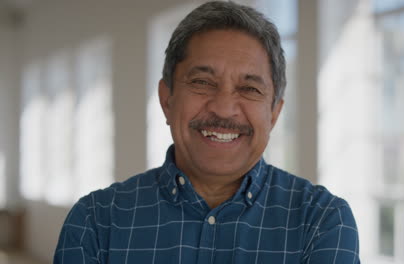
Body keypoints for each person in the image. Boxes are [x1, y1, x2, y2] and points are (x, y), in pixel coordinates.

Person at [54, 1, 360, 263]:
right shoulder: (94, 222)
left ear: (274, 113)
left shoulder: (322, 222)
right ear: (166, 100)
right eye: (202, 82)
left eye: (249, 88)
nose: (224, 109)